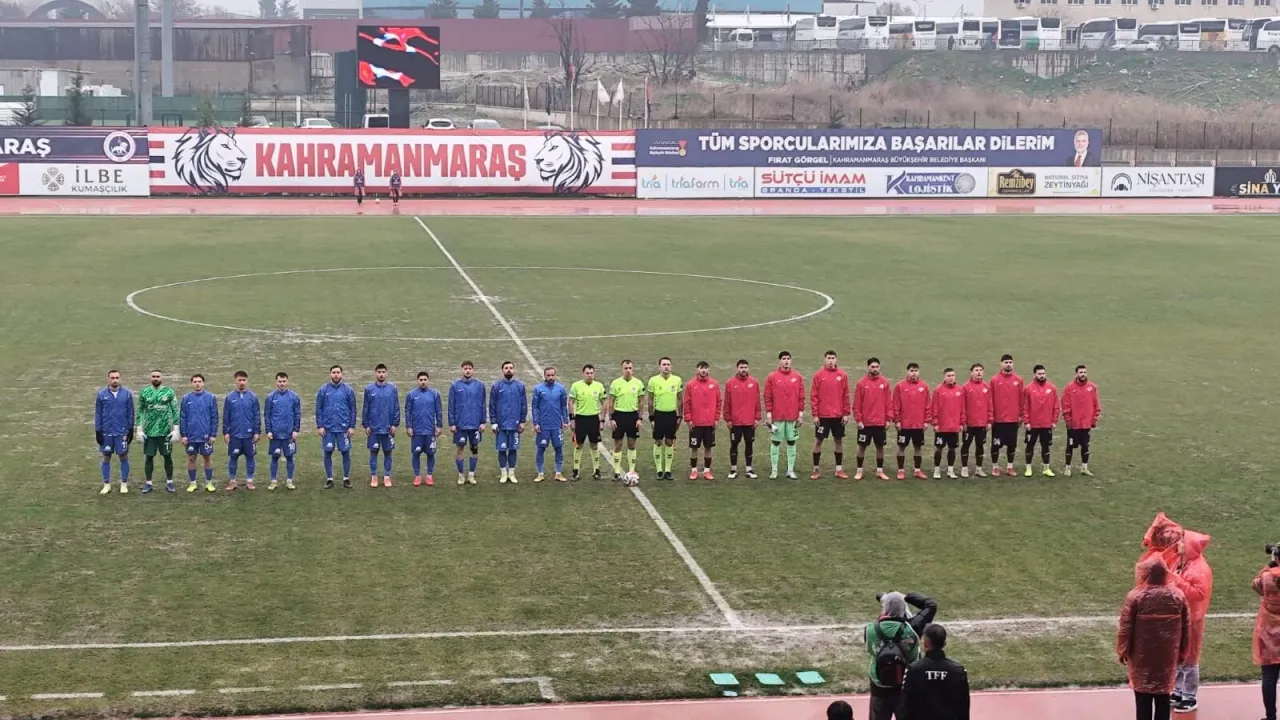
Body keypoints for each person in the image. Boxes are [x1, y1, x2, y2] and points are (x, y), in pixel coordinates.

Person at [1137, 514, 1213, 714]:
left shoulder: (1199, 568)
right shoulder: (1182, 561)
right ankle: (1178, 691)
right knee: (1178, 656)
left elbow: (1199, 593)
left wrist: (1176, 581)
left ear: (1190, 547)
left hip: (1192, 619)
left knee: (1190, 659)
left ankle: (1189, 696)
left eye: (1182, 542)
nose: (1178, 544)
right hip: (1179, 617)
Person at [1117, 556, 1190, 720]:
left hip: (1141, 656)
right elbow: (1186, 627)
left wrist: (1123, 650)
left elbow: (1126, 627)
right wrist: (1183, 651)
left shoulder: (1136, 597)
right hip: (1167, 656)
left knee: (1142, 697)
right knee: (1163, 697)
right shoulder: (1177, 596)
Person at [865, 590, 938, 720]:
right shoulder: (913, 628)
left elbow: (872, 648)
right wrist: (906, 597)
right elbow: (931, 605)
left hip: (879, 686)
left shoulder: (870, 629)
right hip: (906, 686)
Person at [899, 624, 971, 720]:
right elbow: (964, 706)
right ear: (944, 643)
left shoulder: (914, 670)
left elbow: (905, 706)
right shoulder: (958, 671)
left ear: (926, 642)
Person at [811, 350, 852, 480]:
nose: (831, 360)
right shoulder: (818, 375)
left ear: (836, 359)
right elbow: (814, 396)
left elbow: (846, 395)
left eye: (833, 358)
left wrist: (846, 413)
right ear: (825, 359)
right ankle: (816, 469)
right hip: (823, 416)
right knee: (819, 440)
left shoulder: (842, 375)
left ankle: (839, 469)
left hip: (838, 416)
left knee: (838, 440)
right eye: (828, 358)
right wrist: (815, 414)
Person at [136, 370, 179, 494]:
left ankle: (169, 482)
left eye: (158, 376)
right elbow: (140, 411)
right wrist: (139, 429)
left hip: (165, 431)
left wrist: (176, 429)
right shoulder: (144, 392)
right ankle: (148, 483)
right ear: (150, 378)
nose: (156, 378)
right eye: (153, 376)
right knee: (149, 457)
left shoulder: (169, 392)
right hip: (149, 432)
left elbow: (175, 410)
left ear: (162, 378)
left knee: (167, 456)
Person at [764, 350, 805, 479]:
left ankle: (790, 470)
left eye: (788, 358)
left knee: (791, 442)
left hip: (792, 417)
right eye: (784, 359)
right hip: (778, 417)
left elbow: (801, 397)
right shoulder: (772, 377)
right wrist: (769, 415)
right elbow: (768, 397)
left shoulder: (797, 377)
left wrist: (800, 415)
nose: (786, 361)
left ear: (791, 360)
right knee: (775, 442)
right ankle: (774, 470)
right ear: (780, 361)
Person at [316, 365, 357, 489]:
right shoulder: (323, 390)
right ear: (330, 374)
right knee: (327, 452)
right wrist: (320, 426)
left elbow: (353, 409)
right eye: (333, 372)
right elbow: (319, 409)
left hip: (343, 428)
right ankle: (329, 479)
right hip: (328, 428)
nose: (336, 375)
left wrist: (351, 426)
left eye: (338, 372)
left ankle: (346, 478)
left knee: (345, 452)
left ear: (341, 374)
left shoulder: (348, 390)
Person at [94, 369, 136, 495]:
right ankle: (106, 484)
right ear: (108, 379)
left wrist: (130, 429)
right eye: (112, 378)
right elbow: (98, 413)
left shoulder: (127, 394)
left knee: (123, 456)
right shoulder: (101, 395)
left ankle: (124, 484)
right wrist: (98, 430)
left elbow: (130, 412)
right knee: (106, 457)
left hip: (122, 431)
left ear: (120, 379)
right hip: (106, 431)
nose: (115, 380)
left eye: (117, 378)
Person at [852, 356, 891, 481]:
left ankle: (880, 471)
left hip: (880, 422)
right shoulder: (861, 383)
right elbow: (857, 404)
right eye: (872, 367)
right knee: (862, 447)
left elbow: (888, 403)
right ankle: (859, 471)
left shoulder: (885, 383)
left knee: (880, 447)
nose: (875, 369)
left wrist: (888, 419)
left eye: (877, 367)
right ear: (868, 367)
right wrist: (858, 420)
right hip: (865, 423)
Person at [222, 370, 261, 491]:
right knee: (233, 457)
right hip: (235, 434)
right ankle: (232, 481)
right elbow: (226, 416)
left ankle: (250, 481)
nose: (242, 382)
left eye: (244, 380)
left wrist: (257, 431)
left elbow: (257, 415)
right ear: (235, 381)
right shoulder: (230, 398)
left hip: (249, 435)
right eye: (239, 380)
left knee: (250, 457)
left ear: (247, 381)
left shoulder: (253, 397)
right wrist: (226, 432)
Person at [1253, 547, 1280, 720]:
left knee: (1269, 678)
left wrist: (1269, 566)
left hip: (1269, 636)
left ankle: (1271, 716)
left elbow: (1255, 585)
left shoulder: (1267, 577)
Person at [489, 361, 527, 484]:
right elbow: (492, 405)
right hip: (501, 425)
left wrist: (522, 421)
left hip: (515, 425)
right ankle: (503, 473)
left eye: (511, 368)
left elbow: (524, 405)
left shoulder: (520, 386)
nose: (509, 370)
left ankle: (511, 473)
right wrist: (493, 422)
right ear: (502, 370)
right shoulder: (496, 386)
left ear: (514, 370)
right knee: (502, 449)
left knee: (513, 449)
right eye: (506, 368)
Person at [606, 359, 645, 480]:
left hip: (633, 416)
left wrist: (639, 418)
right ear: (622, 369)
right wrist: (612, 418)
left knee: (631, 444)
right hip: (619, 416)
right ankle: (617, 471)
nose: (628, 370)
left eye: (630, 368)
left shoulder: (638, 383)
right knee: (618, 444)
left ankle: (632, 470)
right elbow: (611, 402)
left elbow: (641, 402)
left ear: (633, 369)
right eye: (626, 368)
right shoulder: (615, 383)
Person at [1061, 364, 1102, 478]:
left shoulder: (1092, 387)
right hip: (1074, 424)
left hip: (1086, 424)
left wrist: (1094, 420)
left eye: (1084, 372)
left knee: (1085, 446)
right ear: (1077, 374)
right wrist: (1068, 421)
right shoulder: (1069, 387)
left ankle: (1084, 468)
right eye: (1080, 372)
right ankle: (1067, 468)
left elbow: (1096, 405)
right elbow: (1065, 405)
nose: (1083, 374)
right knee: (1070, 446)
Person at [363, 363, 400, 488]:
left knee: (388, 452)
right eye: (379, 372)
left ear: (386, 373)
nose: (381, 374)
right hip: (374, 428)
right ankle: (374, 476)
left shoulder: (392, 389)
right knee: (373, 452)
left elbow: (396, 407)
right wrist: (366, 425)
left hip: (388, 427)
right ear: (375, 373)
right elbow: (366, 408)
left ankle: (387, 476)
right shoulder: (369, 389)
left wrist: (395, 424)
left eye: (383, 372)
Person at [723, 359, 762, 479]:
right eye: (741, 367)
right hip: (735, 422)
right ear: (737, 368)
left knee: (749, 444)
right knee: (734, 444)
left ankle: (749, 469)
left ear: (748, 368)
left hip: (749, 421)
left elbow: (757, 401)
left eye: (745, 367)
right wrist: (728, 419)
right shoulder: (730, 383)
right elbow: (727, 402)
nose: (743, 370)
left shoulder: (754, 383)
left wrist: (757, 418)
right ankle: (733, 469)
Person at [449, 361, 486, 485]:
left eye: (470, 368)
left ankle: (471, 474)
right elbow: (451, 405)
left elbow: (483, 405)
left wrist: (483, 422)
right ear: (462, 370)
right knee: (460, 449)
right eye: (465, 368)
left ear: (473, 370)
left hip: (475, 425)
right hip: (460, 425)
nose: (468, 370)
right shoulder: (455, 385)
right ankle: (461, 475)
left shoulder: (480, 385)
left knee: (474, 449)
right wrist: (452, 423)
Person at [180, 373, 219, 493]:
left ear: (203, 383)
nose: (197, 384)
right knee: (191, 458)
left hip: (206, 435)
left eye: (199, 381)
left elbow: (214, 417)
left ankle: (209, 482)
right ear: (192, 383)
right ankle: (192, 483)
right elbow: (183, 417)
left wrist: (213, 434)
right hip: (191, 435)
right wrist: (183, 435)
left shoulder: (211, 398)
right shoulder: (186, 398)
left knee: (207, 457)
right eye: (195, 382)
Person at [892, 363, 930, 481]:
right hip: (904, 425)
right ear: (907, 372)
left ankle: (917, 471)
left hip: (918, 424)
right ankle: (900, 471)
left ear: (919, 372)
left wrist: (926, 421)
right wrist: (897, 421)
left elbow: (927, 405)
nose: (914, 373)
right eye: (912, 371)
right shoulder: (900, 386)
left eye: (916, 371)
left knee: (918, 447)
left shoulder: (924, 387)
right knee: (901, 447)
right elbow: (896, 404)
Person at [683, 361, 721, 480]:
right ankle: (694, 471)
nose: (703, 370)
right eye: (701, 368)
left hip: (709, 423)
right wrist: (688, 419)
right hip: (695, 423)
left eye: (705, 368)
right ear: (697, 369)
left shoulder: (714, 384)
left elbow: (719, 402)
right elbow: (687, 403)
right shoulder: (690, 385)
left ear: (708, 370)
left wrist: (716, 418)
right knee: (694, 447)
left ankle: (707, 471)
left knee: (708, 447)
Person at [646, 357, 683, 481]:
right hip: (659, 414)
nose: (666, 366)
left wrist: (680, 416)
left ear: (671, 367)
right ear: (659, 367)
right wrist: (651, 417)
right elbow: (650, 400)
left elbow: (680, 399)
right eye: (664, 364)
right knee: (658, 441)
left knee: (669, 441)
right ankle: (659, 470)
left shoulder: (677, 380)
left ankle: (667, 470)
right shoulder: (653, 380)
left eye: (668, 364)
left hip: (671, 414)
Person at [264, 372, 301, 491]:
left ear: (287, 382)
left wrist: (296, 430)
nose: (282, 384)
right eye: (280, 381)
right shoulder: (270, 397)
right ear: (276, 382)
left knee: (290, 457)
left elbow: (297, 414)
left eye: (284, 381)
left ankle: (289, 481)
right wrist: (269, 430)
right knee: (274, 457)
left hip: (289, 434)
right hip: (275, 434)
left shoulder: (294, 397)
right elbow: (267, 415)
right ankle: (273, 481)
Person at [405, 371, 443, 487]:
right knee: (416, 453)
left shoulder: (434, 394)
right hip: (417, 431)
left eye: (425, 380)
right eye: (421, 380)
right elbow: (408, 411)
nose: (423, 382)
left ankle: (429, 475)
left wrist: (439, 425)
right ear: (417, 381)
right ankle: (417, 476)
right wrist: (409, 426)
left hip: (430, 430)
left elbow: (438, 410)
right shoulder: (411, 394)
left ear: (428, 380)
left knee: (430, 454)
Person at [569, 364, 607, 481]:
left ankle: (596, 471)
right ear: (583, 374)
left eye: (591, 373)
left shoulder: (599, 386)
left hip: (594, 419)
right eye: (587, 373)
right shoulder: (576, 386)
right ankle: (575, 471)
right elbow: (570, 402)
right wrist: (572, 419)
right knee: (578, 445)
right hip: (580, 419)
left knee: (594, 445)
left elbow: (604, 403)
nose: (590, 375)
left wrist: (602, 420)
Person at [532, 366, 570, 483]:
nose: (550, 377)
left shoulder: (561, 389)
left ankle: (558, 473)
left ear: (555, 375)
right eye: (548, 375)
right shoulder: (538, 389)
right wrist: (536, 423)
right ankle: (540, 473)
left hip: (556, 425)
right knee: (541, 449)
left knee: (558, 448)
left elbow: (563, 406)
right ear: (544, 376)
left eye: (552, 375)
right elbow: (535, 407)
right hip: (543, 425)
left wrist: (565, 420)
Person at [1021, 364, 1059, 477]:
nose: (1042, 376)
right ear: (1034, 375)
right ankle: (1028, 468)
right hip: (1032, 425)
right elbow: (1025, 406)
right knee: (1030, 446)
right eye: (1039, 374)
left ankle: (1046, 468)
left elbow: (1056, 406)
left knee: (1046, 446)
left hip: (1046, 424)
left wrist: (1054, 421)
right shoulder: (1028, 389)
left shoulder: (1052, 388)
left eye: (1043, 373)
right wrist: (1026, 421)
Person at [988, 354, 1023, 476]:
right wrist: (991, 416)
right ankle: (995, 467)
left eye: (1010, 362)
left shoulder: (1019, 380)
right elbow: (990, 399)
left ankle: (1010, 467)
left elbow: (1021, 398)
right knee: (996, 444)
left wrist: (1020, 415)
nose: (1008, 364)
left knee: (1012, 445)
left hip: (1013, 419)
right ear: (1001, 364)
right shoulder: (994, 380)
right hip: (998, 420)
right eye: (1006, 362)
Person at [930, 369, 965, 480]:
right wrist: (935, 423)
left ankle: (950, 470)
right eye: (949, 375)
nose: (951, 377)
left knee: (952, 448)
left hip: (954, 426)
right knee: (939, 448)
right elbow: (934, 408)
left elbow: (962, 408)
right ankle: (937, 470)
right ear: (944, 377)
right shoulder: (938, 390)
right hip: (941, 426)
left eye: (953, 375)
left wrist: (961, 423)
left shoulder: (960, 390)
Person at [959, 363, 992, 479]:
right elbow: (962, 406)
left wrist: (989, 421)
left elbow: (989, 404)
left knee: (980, 445)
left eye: (981, 370)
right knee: (966, 445)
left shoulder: (986, 387)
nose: (979, 372)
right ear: (971, 372)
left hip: (982, 423)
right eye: (976, 370)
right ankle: (964, 468)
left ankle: (979, 469)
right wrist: (963, 421)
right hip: (969, 424)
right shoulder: (965, 387)